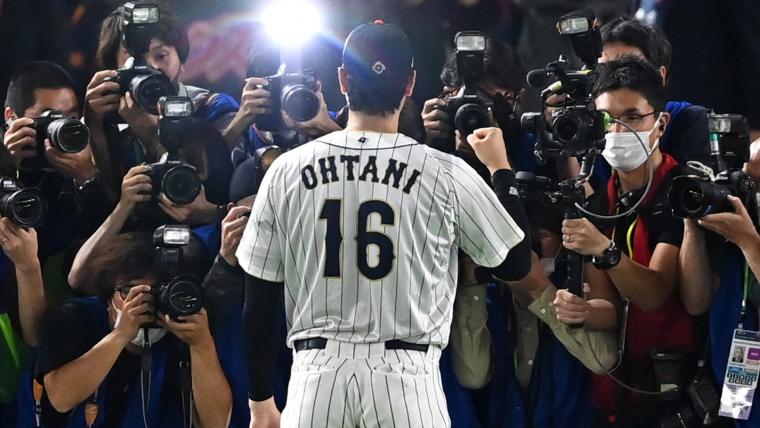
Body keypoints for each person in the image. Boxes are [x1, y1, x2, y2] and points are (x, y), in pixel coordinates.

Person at [238, 20, 531, 427]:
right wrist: (500, 168)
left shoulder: (287, 170)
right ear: (410, 83)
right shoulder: (442, 171)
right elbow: (516, 264)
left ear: (342, 80)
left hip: (315, 378)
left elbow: (259, 299)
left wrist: (260, 402)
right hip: (408, 381)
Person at [561, 56, 696, 426]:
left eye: (633, 117)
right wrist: (584, 312)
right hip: (622, 391)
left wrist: (604, 250)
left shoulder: (681, 190)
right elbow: (608, 305)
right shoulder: (599, 203)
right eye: (607, 119)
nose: (618, 132)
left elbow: (654, 293)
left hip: (677, 382)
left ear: (660, 123)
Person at [37, 231, 231, 427]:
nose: (143, 302)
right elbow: (60, 399)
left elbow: (215, 423)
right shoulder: (77, 317)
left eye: (154, 291)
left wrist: (202, 345)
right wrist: (120, 335)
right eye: (130, 291)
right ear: (107, 297)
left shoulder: (181, 331)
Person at [679, 136, 760, 426]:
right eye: (747, 182)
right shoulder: (735, 238)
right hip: (738, 408)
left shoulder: (745, 237)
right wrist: (692, 224)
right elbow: (696, 301)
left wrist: (751, 244)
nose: (751, 194)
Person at [599, 16, 711, 166]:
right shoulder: (585, 123)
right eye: (604, 70)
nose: (617, 78)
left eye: (632, 68)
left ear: (660, 76)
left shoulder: (688, 120)